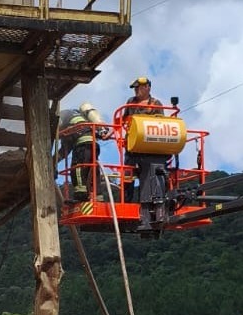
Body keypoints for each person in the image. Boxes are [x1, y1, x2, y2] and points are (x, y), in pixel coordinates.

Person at [119, 76, 168, 226]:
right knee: (128, 175)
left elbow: (160, 124)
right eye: (135, 88)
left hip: (150, 148)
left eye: (139, 87)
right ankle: (126, 202)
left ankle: (155, 205)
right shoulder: (130, 102)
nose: (136, 90)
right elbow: (122, 120)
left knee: (151, 176)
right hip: (132, 146)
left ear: (147, 87)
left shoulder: (156, 104)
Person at [56, 101, 109, 200]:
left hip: (82, 145)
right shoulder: (81, 118)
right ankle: (98, 196)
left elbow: (63, 151)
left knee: (77, 168)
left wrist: (52, 161)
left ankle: (81, 195)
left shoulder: (64, 123)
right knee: (92, 169)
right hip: (94, 145)